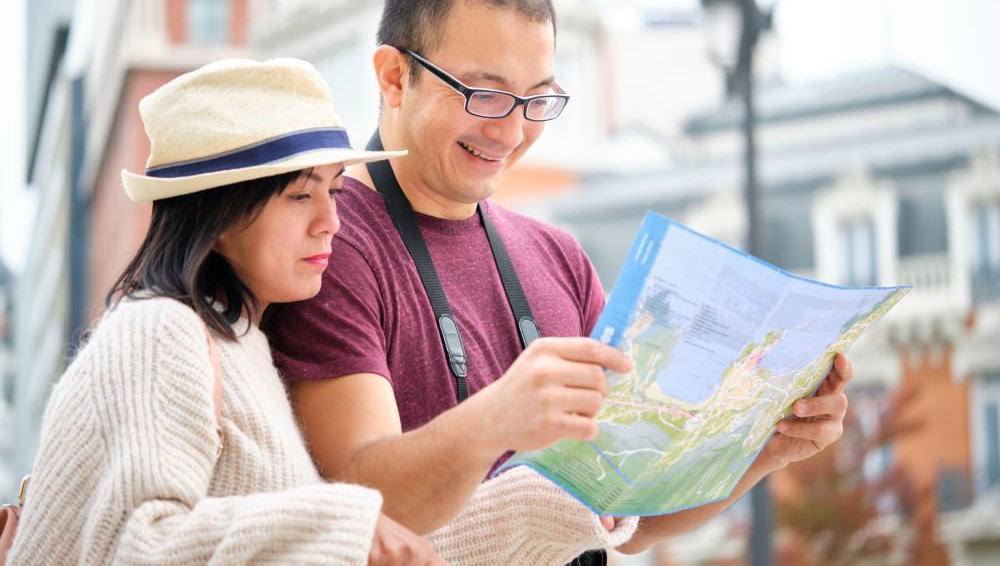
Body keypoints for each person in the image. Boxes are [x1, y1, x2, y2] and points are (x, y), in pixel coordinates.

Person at [265, 0, 852, 560]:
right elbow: (361, 504)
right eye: (484, 94)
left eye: (538, 99)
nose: (512, 131)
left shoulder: (557, 255)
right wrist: (498, 418)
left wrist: (760, 451)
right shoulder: (329, 243)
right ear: (393, 76)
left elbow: (627, 516)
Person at [8, 58, 637, 565]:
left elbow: (321, 546)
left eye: (335, 190)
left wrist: (544, 502)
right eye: (299, 194)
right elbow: (134, 545)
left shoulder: (244, 343)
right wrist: (344, 525)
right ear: (217, 213)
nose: (330, 221)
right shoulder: (158, 329)